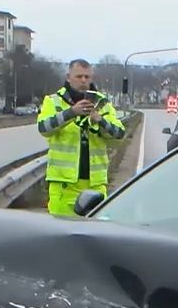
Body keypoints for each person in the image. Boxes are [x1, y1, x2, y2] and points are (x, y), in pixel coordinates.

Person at [37, 59, 127, 215]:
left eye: (87, 77)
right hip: (64, 186)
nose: (84, 80)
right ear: (68, 77)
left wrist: (100, 121)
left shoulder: (102, 103)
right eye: (79, 76)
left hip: (95, 184)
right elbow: (44, 128)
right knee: (62, 233)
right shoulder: (53, 101)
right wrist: (72, 113)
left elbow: (119, 134)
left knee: (96, 234)